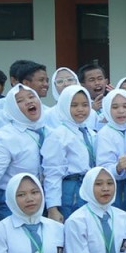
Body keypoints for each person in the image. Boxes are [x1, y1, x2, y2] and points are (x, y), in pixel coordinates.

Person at [0, 85, 49, 223]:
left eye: (31, 97)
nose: (29, 102)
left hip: (39, 198)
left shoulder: (48, 131)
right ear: (12, 108)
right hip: (8, 201)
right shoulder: (6, 136)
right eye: (20, 101)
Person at [43, 85, 97, 221]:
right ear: (64, 106)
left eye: (85, 105)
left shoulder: (90, 133)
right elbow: (52, 173)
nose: (80, 109)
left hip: (90, 188)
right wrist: (53, 208)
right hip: (71, 192)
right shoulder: (58, 134)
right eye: (74, 105)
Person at [95, 88, 126, 215]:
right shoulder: (104, 133)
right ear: (107, 109)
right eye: (115, 107)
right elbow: (103, 166)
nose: (121, 111)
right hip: (110, 188)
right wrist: (118, 167)